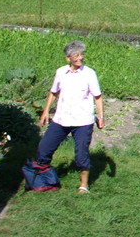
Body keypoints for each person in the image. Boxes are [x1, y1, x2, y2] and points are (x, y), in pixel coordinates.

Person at [34, 40, 104, 193]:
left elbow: (97, 96)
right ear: (68, 58)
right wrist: (45, 111)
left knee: (81, 154)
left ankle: (84, 185)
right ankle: (43, 180)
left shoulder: (89, 74)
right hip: (61, 119)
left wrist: (101, 116)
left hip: (82, 121)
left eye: (81, 55)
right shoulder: (60, 72)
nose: (80, 58)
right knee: (44, 148)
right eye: (76, 55)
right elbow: (53, 93)